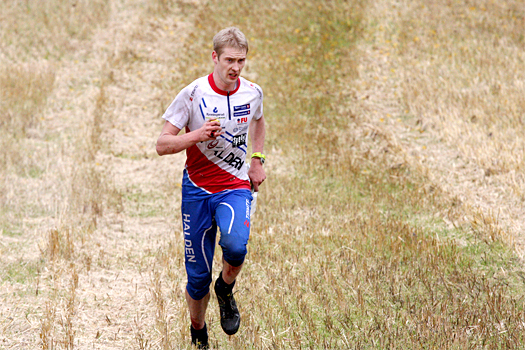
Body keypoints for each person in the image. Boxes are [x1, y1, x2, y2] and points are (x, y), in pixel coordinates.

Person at [156, 27, 266, 349]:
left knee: (235, 248)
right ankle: (198, 331)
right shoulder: (192, 94)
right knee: (197, 279)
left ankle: (226, 287)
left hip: (235, 186)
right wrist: (196, 135)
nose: (235, 67)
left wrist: (257, 159)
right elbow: (162, 144)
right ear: (214, 57)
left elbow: (258, 120)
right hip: (197, 191)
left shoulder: (252, 92)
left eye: (241, 61)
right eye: (230, 60)